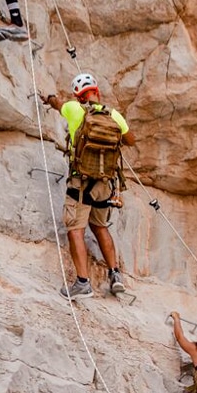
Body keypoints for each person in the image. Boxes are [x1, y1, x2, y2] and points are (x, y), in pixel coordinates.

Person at [42, 73, 135, 299]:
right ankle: (115, 275)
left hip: (80, 182)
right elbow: (130, 140)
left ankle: (83, 283)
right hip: (105, 184)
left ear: (79, 95)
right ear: (97, 92)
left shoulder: (75, 109)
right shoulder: (114, 115)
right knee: (100, 227)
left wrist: (50, 98)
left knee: (76, 229)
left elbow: (58, 104)